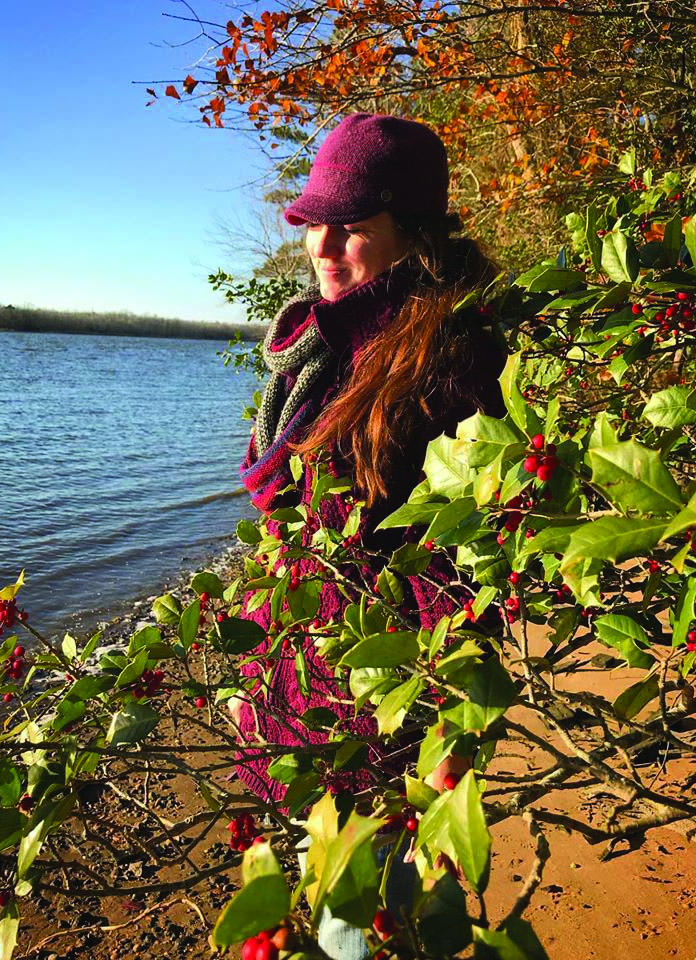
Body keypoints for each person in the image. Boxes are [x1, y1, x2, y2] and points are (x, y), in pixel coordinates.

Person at [232, 113, 505, 957]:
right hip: (309, 681)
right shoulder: (328, 346)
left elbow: (462, 559)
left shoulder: (449, 358)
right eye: (315, 221)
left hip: (372, 713)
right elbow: (290, 522)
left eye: (352, 226)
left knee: (351, 928)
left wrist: (424, 738)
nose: (323, 244)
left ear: (412, 234)